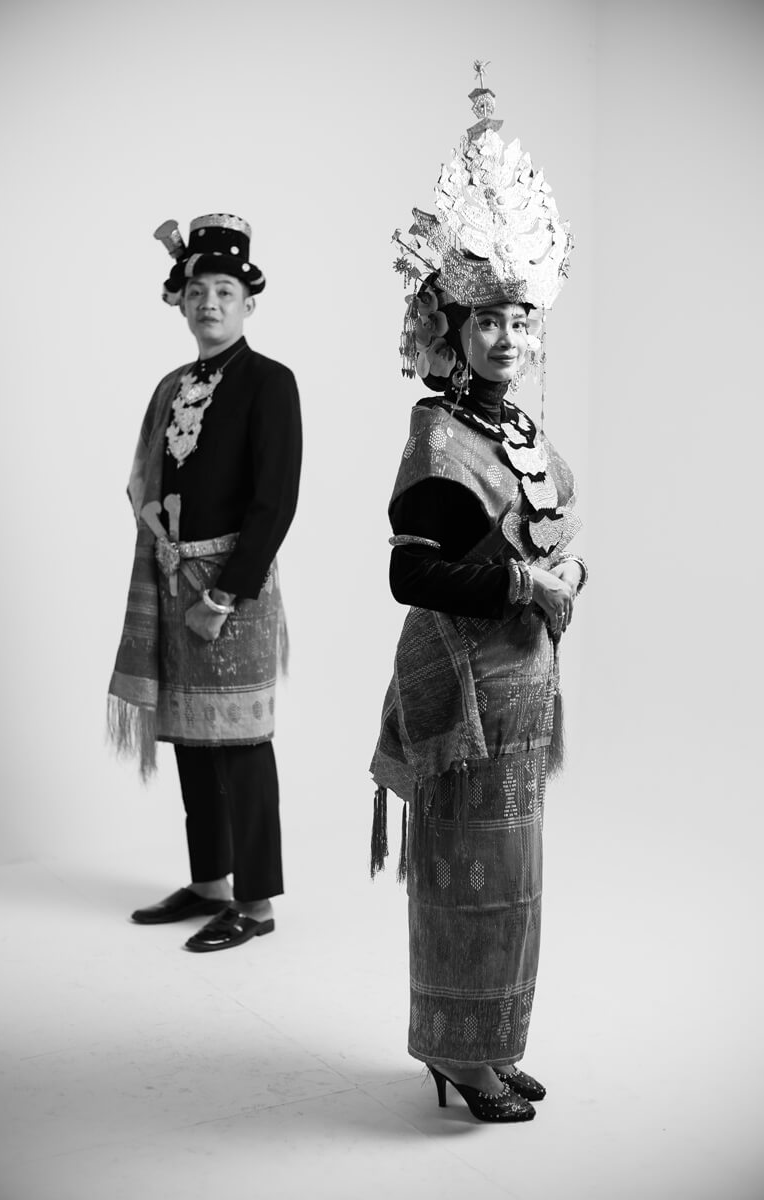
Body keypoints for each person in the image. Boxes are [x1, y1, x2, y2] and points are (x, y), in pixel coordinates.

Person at [370, 69, 586, 1122]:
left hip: (522, 700)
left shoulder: (522, 430)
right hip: (461, 704)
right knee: (467, 877)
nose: (504, 336)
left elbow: (553, 539)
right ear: (448, 328)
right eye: (485, 319)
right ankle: (455, 1054)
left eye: (517, 318)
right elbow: (409, 572)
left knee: (516, 879)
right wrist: (520, 580)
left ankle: (496, 1044)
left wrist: (568, 573)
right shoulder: (440, 434)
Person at [108, 213, 301, 952]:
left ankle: (256, 902)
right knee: (191, 737)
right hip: (171, 576)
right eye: (197, 291)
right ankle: (210, 883)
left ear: (249, 302)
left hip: (233, 588)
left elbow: (275, 502)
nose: (209, 303)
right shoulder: (172, 386)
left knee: (242, 743)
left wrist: (224, 595)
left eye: (224, 290)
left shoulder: (270, 382)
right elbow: (145, 483)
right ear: (180, 302)